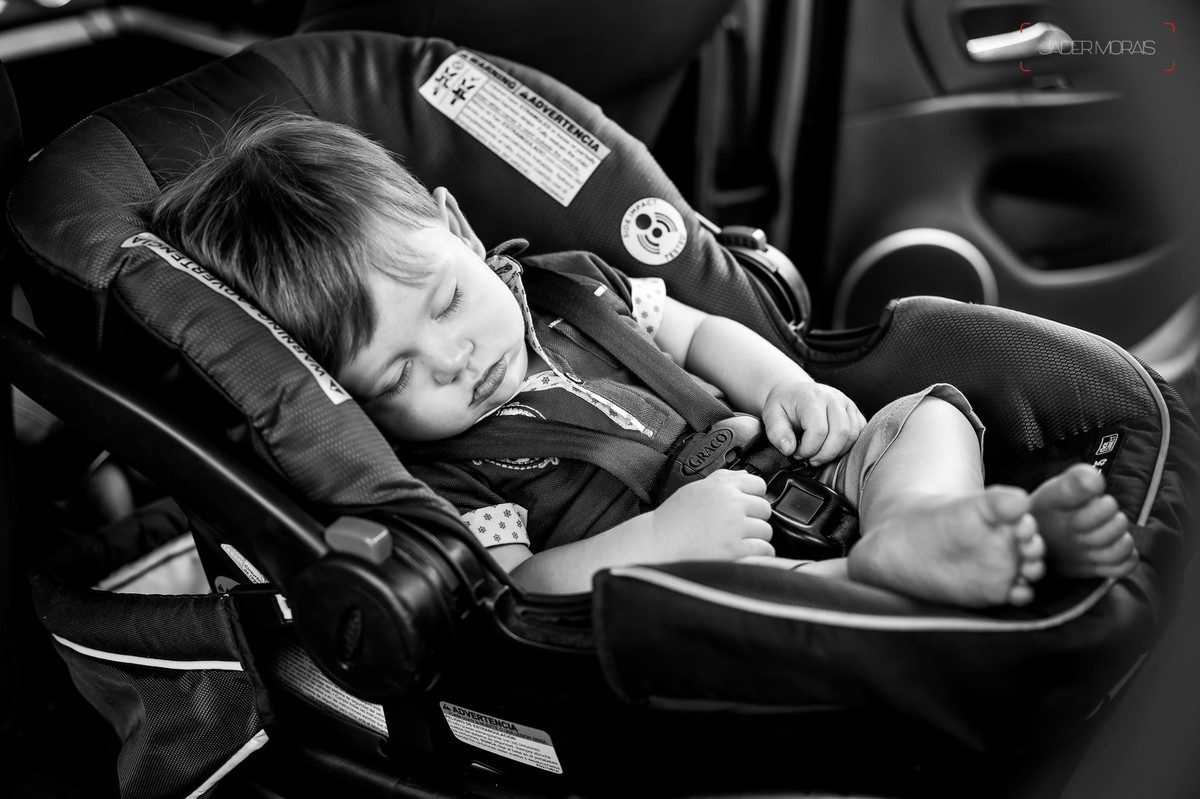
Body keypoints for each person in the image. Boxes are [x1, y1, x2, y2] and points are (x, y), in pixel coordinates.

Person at [149, 110, 1139, 601]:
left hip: (796, 463)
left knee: (926, 412)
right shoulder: (432, 476)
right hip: (706, 571)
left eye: (447, 298)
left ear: (457, 226)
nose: (451, 358)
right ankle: (884, 584)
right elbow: (518, 587)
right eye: (395, 375)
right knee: (722, 609)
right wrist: (657, 545)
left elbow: (699, 333)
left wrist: (787, 384)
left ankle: (923, 524)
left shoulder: (574, 285)